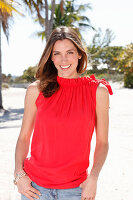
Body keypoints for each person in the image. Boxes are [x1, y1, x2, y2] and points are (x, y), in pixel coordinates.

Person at [14, 26, 113, 200]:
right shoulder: (35, 90)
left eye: (70, 52)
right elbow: (23, 138)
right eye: (57, 53)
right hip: (35, 189)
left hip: (75, 190)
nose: (64, 59)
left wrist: (94, 178)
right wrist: (18, 175)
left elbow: (103, 142)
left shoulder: (98, 92)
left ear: (80, 54)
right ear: (50, 57)